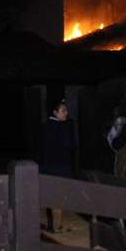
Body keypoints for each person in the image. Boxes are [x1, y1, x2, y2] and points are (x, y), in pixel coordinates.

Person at [41, 99, 77, 233]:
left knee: (51, 196)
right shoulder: (62, 127)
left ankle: (53, 225)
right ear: (55, 112)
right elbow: (71, 145)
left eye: (66, 110)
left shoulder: (46, 125)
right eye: (63, 111)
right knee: (59, 197)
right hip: (60, 166)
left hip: (48, 166)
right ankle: (57, 226)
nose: (66, 113)